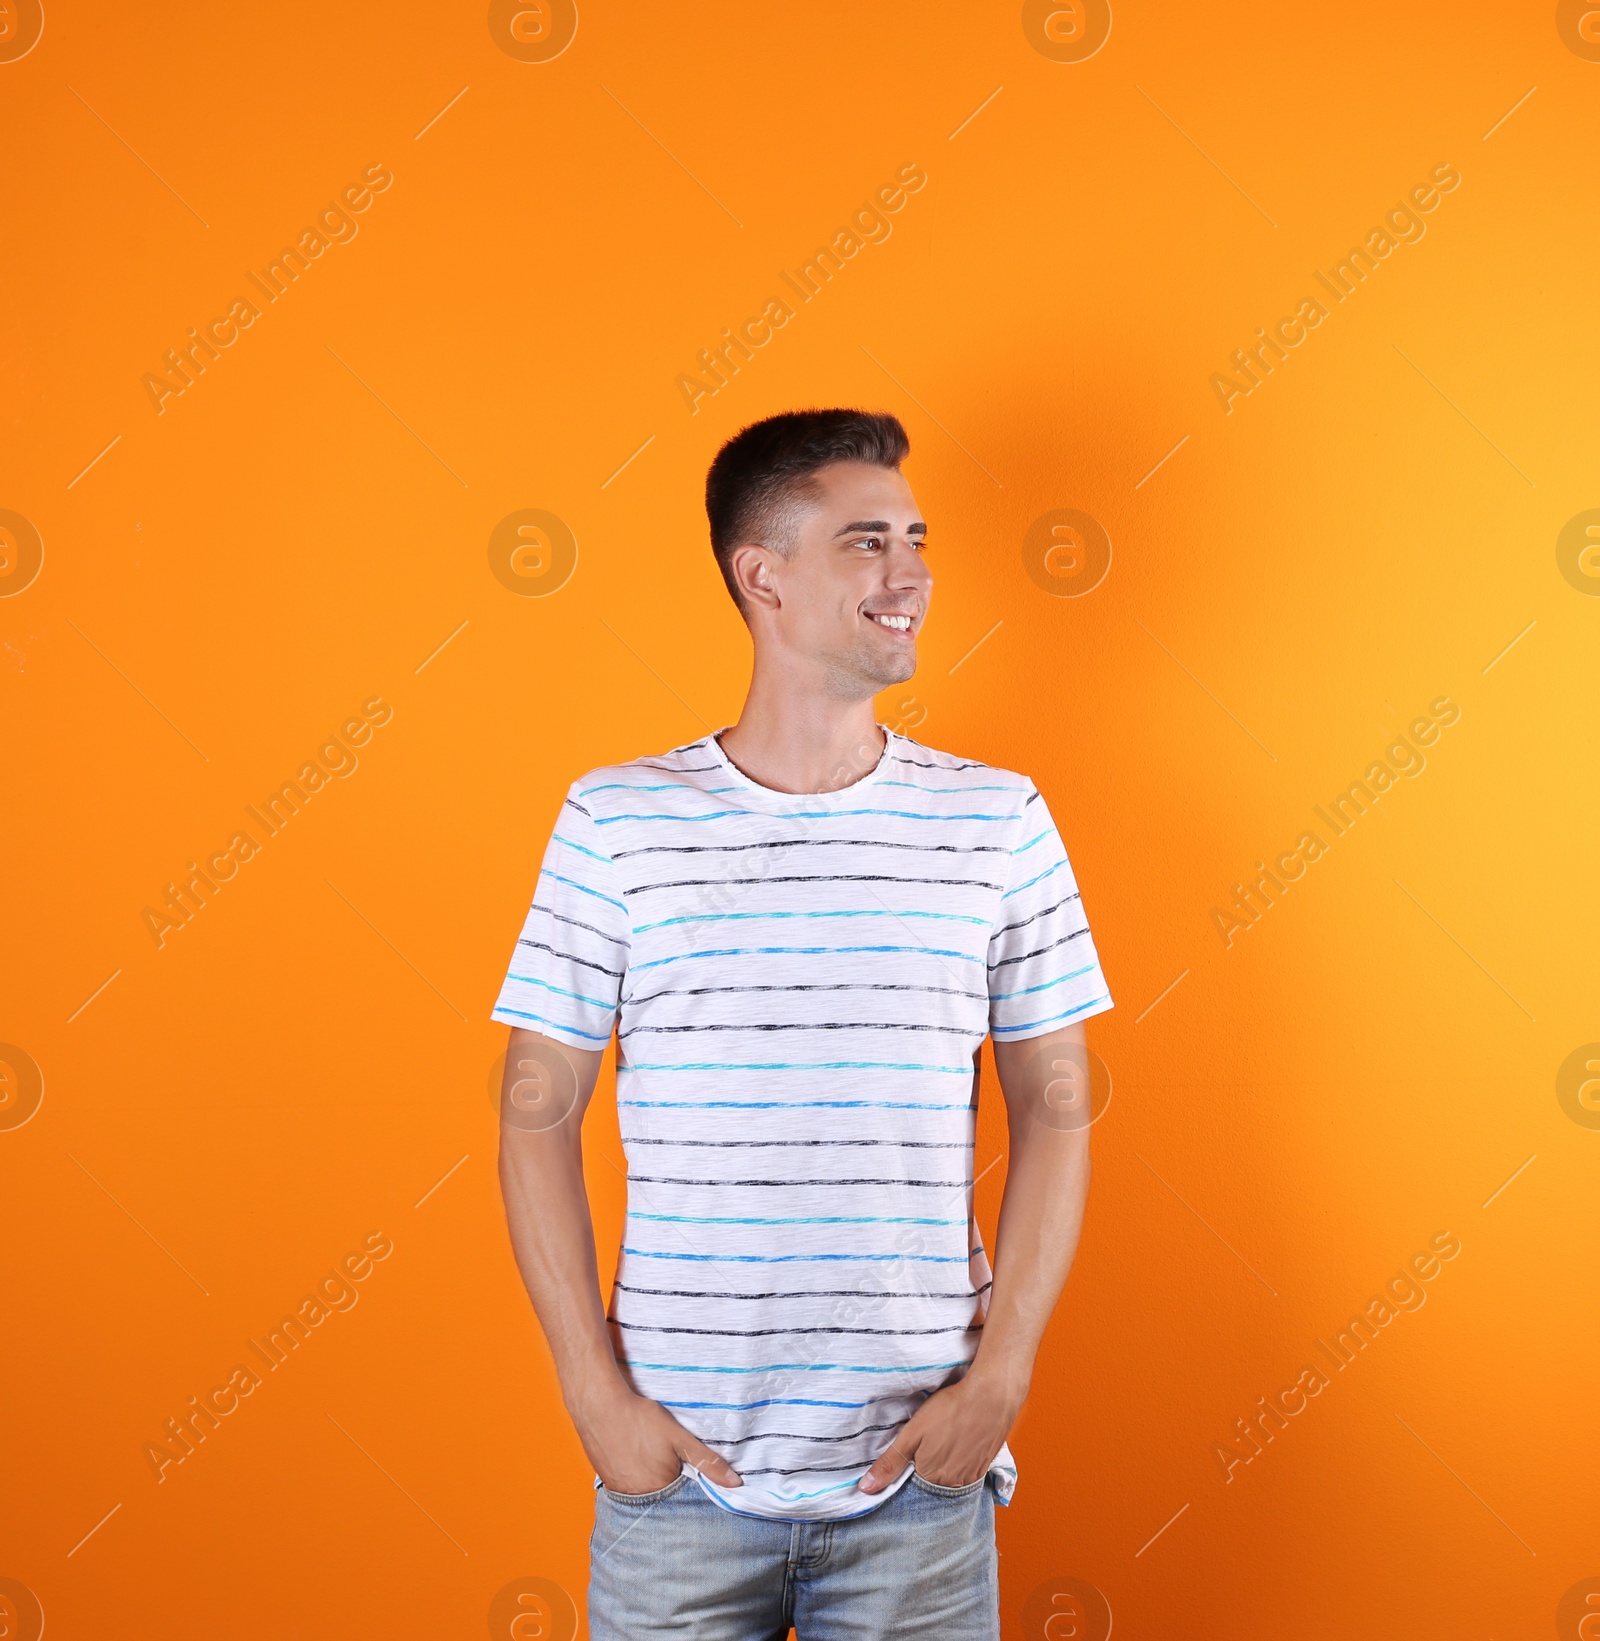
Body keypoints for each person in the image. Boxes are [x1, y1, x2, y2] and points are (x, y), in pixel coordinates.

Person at [494, 409, 1113, 1640]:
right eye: (867, 541)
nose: (913, 575)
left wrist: (1001, 1381)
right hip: (674, 1482)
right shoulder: (617, 821)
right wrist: (593, 1399)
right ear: (761, 575)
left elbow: (1060, 1109)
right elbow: (531, 1116)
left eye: (917, 539)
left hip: (918, 1488)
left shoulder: (996, 820)